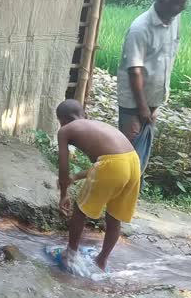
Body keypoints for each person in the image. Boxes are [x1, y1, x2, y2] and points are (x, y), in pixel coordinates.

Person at [56, 100, 141, 271]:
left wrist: (64, 194)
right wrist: (77, 177)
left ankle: (71, 256)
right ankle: (102, 261)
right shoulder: (98, 125)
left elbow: (63, 167)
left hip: (112, 165)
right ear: (84, 115)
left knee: (80, 212)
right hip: (133, 162)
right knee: (114, 218)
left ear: (62, 121)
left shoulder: (65, 130)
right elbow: (111, 163)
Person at [117, 0, 190, 172]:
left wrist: (154, 105)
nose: (185, 4)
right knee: (127, 153)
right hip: (134, 103)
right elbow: (135, 71)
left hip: (152, 100)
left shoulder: (175, 18)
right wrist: (142, 108)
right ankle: (118, 197)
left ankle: (131, 195)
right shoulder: (140, 28)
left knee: (140, 155)